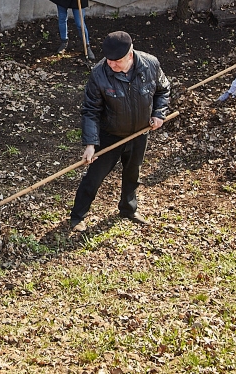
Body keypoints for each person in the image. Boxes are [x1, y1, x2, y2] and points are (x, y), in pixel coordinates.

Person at [69, 31, 170, 232]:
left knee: (133, 174)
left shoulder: (150, 65)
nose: (111, 65)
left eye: (117, 61)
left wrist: (159, 113)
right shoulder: (99, 74)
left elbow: (163, 89)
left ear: (130, 55)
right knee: (94, 177)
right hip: (110, 135)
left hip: (140, 133)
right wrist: (90, 144)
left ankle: (129, 209)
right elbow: (91, 110)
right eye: (109, 60)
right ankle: (77, 216)